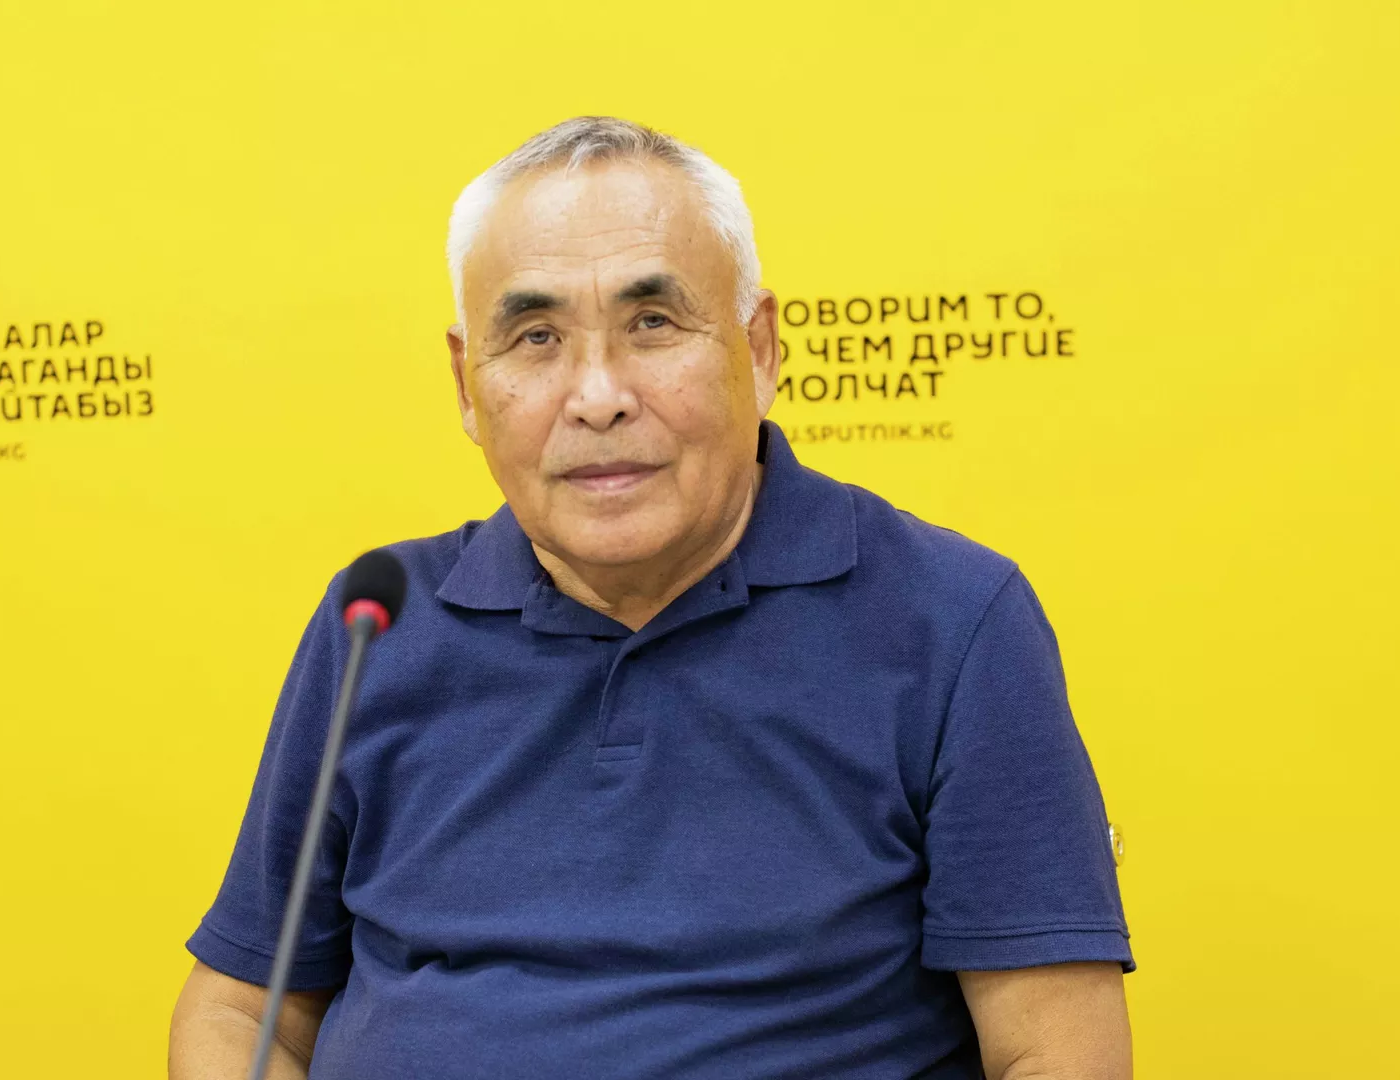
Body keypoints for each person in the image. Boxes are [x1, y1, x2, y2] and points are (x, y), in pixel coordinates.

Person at [169, 116, 1133, 1080]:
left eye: (653, 324)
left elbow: (1053, 1052)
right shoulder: (378, 623)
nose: (598, 397)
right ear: (467, 384)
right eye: (536, 338)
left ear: (759, 349)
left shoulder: (952, 619)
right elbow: (243, 1007)